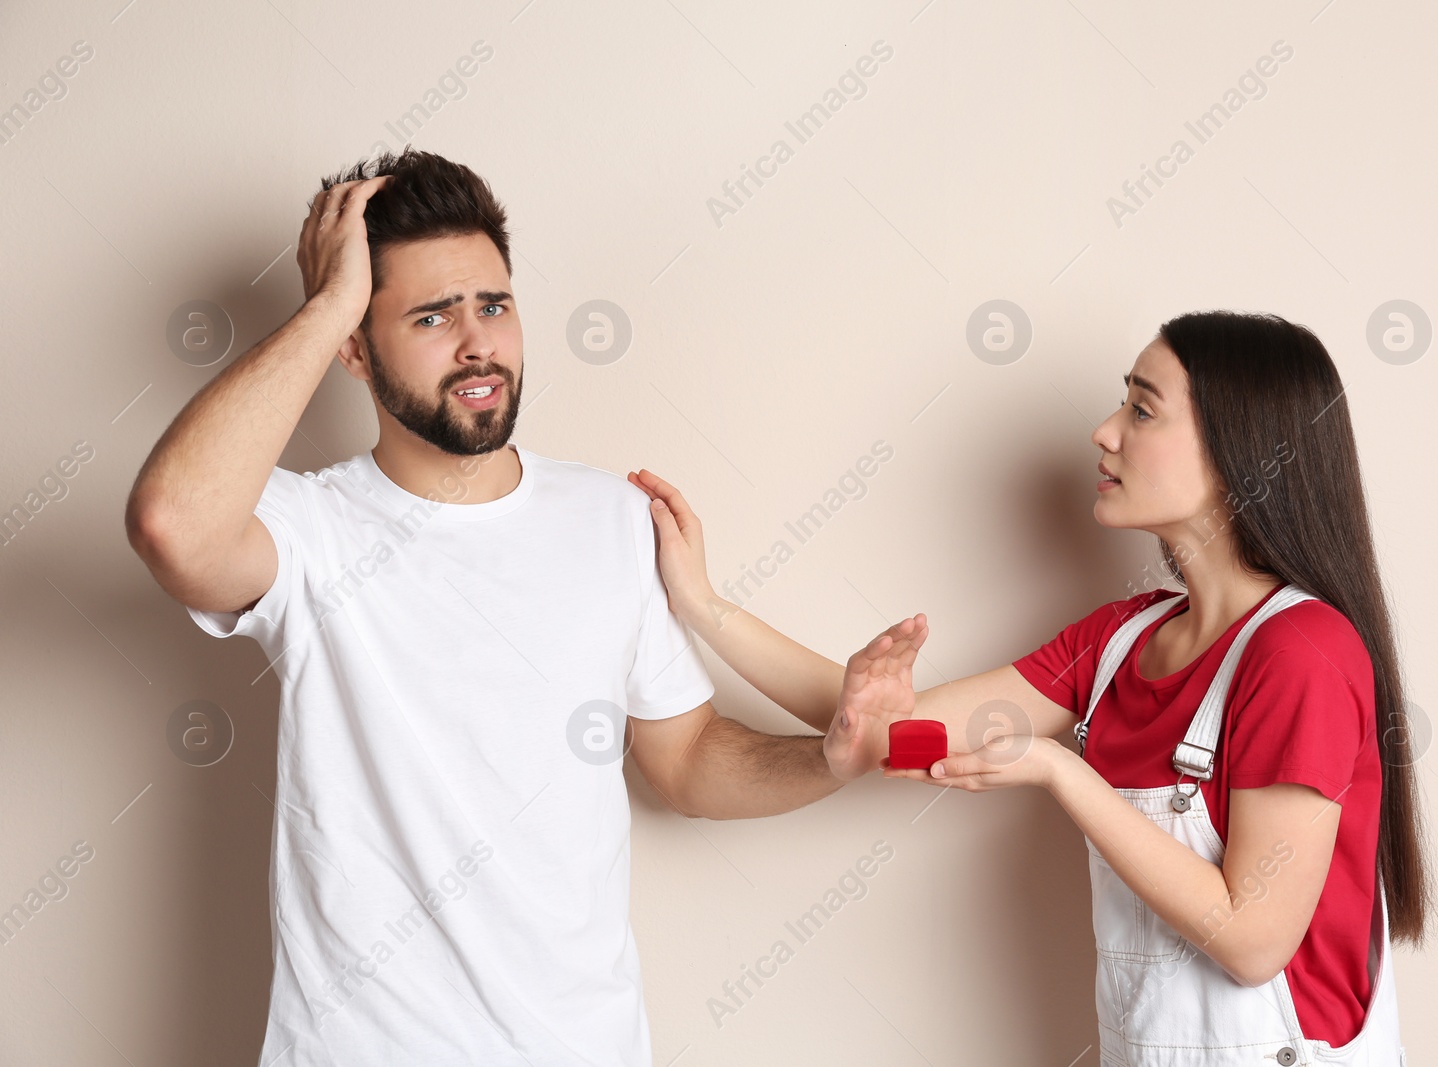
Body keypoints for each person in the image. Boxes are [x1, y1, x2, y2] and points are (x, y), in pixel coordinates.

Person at [123, 147, 912, 1067]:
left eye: (493, 305)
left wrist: (827, 759)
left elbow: (688, 759)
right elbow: (172, 525)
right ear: (353, 346)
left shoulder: (613, 518)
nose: (478, 344)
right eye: (430, 316)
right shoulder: (306, 528)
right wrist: (329, 301)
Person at [631, 310, 1436, 1065]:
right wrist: (703, 604)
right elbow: (889, 730)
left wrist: (1063, 772)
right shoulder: (1121, 641)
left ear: (1238, 453)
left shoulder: (1303, 652)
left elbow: (1254, 938)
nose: (1105, 431)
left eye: (1143, 411)